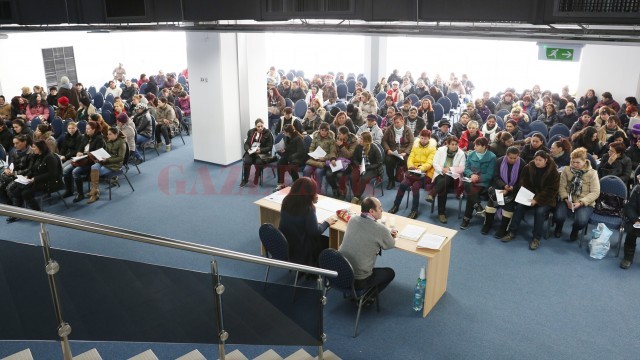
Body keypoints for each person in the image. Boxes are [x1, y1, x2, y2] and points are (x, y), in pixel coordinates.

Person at [338, 196, 396, 296]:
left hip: (342, 273)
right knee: (390, 272)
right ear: (371, 211)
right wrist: (389, 233)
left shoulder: (352, 219)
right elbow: (390, 244)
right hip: (360, 280)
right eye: (380, 208)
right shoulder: (380, 229)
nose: (382, 210)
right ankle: (368, 297)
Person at [502, 151, 560, 250]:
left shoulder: (553, 172)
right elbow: (524, 184)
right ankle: (512, 232)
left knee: (540, 211)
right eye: (536, 159)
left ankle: (536, 238)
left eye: (540, 160)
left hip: (546, 198)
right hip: (530, 195)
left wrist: (536, 200)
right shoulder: (528, 167)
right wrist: (529, 197)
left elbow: (551, 190)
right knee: (520, 206)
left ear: (546, 160)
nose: (537, 162)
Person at [279, 177, 337, 267]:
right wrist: (327, 222)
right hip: (302, 247)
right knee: (330, 242)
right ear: (310, 193)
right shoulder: (308, 208)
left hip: (287, 243)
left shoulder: (286, 200)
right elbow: (315, 232)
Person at [4, 140, 61, 220]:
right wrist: (27, 176)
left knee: (25, 193)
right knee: (16, 191)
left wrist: (35, 178)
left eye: (34, 147)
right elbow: (32, 170)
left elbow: (52, 174)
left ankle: (39, 213)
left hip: (48, 182)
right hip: (36, 180)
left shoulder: (50, 157)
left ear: (41, 148)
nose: (32, 149)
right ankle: (17, 213)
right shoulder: (36, 156)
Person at [554, 147, 600, 242]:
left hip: (583, 201)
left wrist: (580, 203)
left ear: (584, 161)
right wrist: (566, 199)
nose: (574, 165)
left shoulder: (592, 173)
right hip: (567, 199)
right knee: (558, 217)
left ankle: (575, 230)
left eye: (578, 162)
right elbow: (561, 187)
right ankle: (559, 227)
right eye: (572, 162)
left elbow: (595, 192)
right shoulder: (566, 170)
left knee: (581, 222)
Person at [388, 130, 436, 219]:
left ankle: (414, 210)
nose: (423, 140)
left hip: (426, 173)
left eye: (425, 138)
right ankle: (396, 205)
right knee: (402, 184)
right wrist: (411, 167)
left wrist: (420, 169)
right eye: (421, 138)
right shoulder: (416, 145)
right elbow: (410, 158)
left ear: (429, 139)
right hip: (414, 172)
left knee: (415, 186)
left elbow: (430, 163)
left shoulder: (433, 149)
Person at [482, 146, 525, 237]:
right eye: (510, 158)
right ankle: (487, 224)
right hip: (500, 187)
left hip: (514, 190)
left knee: (508, 206)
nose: (513, 160)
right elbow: (496, 177)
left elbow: (522, 181)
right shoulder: (499, 161)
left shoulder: (522, 164)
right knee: (491, 204)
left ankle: (503, 228)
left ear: (518, 156)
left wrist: (513, 188)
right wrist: (503, 186)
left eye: (515, 158)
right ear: (506, 155)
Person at [61, 121, 105, 202]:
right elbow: (80, 147)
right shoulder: (85, 136)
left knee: (75, 172)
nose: (86, 130)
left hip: (91, 161)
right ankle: (69, 190)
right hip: (81, 160)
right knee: (65, 170)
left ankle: (80, 194)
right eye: (86, 129)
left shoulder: (99, 139)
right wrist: (78, 153)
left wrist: (84, 154)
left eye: (88, 129)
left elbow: (97, 154)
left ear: (94, 129)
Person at [460, 137, 496, 229]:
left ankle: (466, 219)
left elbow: (490, 174)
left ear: (484, 146)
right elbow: (466, 169)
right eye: (475, 145)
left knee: (470, 194)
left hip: (483, 184)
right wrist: (471, 174)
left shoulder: (492, 156)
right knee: (469, 186)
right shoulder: (471, 154)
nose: (474, 147)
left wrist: (478, 178)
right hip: (471, 180)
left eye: (477, 145)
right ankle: (478, 206)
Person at [428, 135, 466, 224]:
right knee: (443, 186)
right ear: (447, 144)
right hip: (440, 174)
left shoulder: (461, 153)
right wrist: (442, 170)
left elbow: (462, 168)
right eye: (452, 144)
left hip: (454, 179)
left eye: (456, 144)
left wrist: (449, 169)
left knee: (448, 176)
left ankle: (433, 193)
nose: (454, 146)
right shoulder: (440, 150)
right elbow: (435, 163)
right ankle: (441, 213)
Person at [84, 128, 126, 204]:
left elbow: (121, 158)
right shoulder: (109, 141)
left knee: (94, 173)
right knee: (93, 167)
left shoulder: (121, 143)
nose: (108, 136)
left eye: (110, 134)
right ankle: (95, 190)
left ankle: (94, 193)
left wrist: (107, 160)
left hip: (115, 165)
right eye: (107, 134)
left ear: (116, 134)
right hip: (106, 162)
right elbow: (106, 153)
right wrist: (98, 156)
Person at [0, 135, 33, 214]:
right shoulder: (14, 152)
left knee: (10, 188)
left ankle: (17, 209)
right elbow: (12, 164)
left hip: (26, 177)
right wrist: (7, 170)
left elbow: (30, 169)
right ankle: (8, 204)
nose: (15, 146)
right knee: (1, 181)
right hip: (15, 175)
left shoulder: (31, 153)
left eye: (17, 143)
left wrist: (14, 173)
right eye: (14, 144)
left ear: (24, 142)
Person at [382, 113, 414, 190]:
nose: (396, 124)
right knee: (388, 160)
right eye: (395, 123)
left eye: (398, 122)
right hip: (393, 151)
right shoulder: (389, 129)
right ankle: (391, 180)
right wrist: (388, 149)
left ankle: (407, 181)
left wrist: (406, 152)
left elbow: (411, 143)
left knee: (407, 161)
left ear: (402, 121)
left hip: (404, 151)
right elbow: (384, 141)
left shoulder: (407, 129)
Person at [350, 132, 383, 204]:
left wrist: (367, 167)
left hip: (371, 168)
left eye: (361, 139)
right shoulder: (358, 147)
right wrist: (358, 164)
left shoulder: (374, 148)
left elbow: (379, 162)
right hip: (360, 166)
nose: (359, 140)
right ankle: (356, 194)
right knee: (353, 177)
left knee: (363, 178)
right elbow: (354, 158)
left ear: (366, 141)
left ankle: (357, 196)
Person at [326, 126, 357, 199]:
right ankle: (335, 189)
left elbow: (349, 155)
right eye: (338, 133)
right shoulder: (338, 139)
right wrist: (333, 159)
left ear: (345, 134)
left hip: (347, 164)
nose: (338, 135)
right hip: (337, 162)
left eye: (340, 134)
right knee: (328, 174)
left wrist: (341, 146)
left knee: (339, 175)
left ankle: (343, 191)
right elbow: (333, 151)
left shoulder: (353, 142)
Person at [241, 119, 273, 187]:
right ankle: (245, 179)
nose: (260, 128)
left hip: (262, 153)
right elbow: (246, 143)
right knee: (247, 162)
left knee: (258, 163)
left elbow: (269, 147)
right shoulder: (251, 132)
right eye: (258, 126)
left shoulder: (268, 133)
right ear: (255, 126)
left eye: (261, 126)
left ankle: (257, 176)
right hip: (251, 152)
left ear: (263, 125)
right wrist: (248, 149)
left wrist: (260, 150)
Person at [303, 123, 335, 193]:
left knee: (318, 172)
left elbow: (332, 153)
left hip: (323, 161)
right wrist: (313, 155)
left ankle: (317, 192)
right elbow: (311, 148)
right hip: (314, 159)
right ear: (319, 130)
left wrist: (324, 158)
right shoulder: (315, 137)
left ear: (328, 131)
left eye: (325, 130)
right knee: (306, 170)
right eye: (322, 130)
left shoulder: (331, 140)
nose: (323, 132)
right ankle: (306, 190)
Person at [275, 124, 306, 191]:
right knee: (280, 163)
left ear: (288, 132)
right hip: (290, 155)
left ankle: (297, 185)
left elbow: (301, 152)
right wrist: (284, 149)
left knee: (292, 167)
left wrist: (290, 158)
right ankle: (281, 184)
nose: (283, 133)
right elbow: (288, 147)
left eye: (284, 132)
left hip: (298, 158)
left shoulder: (298, 138)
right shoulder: (288, 137)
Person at [621, 185, 640, 269]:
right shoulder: (638, 190)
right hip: (637, 218)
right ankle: (628, 257)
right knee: (632, 229)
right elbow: (630, 207)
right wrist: (635, 220)